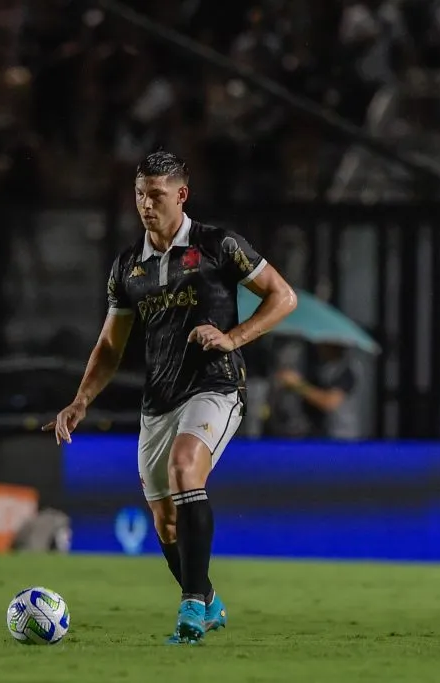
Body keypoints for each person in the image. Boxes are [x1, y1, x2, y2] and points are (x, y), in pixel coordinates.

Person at [44, 151, 297, 644]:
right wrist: (81, 400)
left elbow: (282, 296)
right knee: (166, 525)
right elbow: (110, 345)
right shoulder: (127, 268)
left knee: (187, 467)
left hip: (216, 385)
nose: (145, 204)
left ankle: (189, 610)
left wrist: (233, 338)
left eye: (156, 194)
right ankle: (207, 599)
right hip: (158, 400)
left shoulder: (217, 245)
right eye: (139, 194)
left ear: (181, 194)